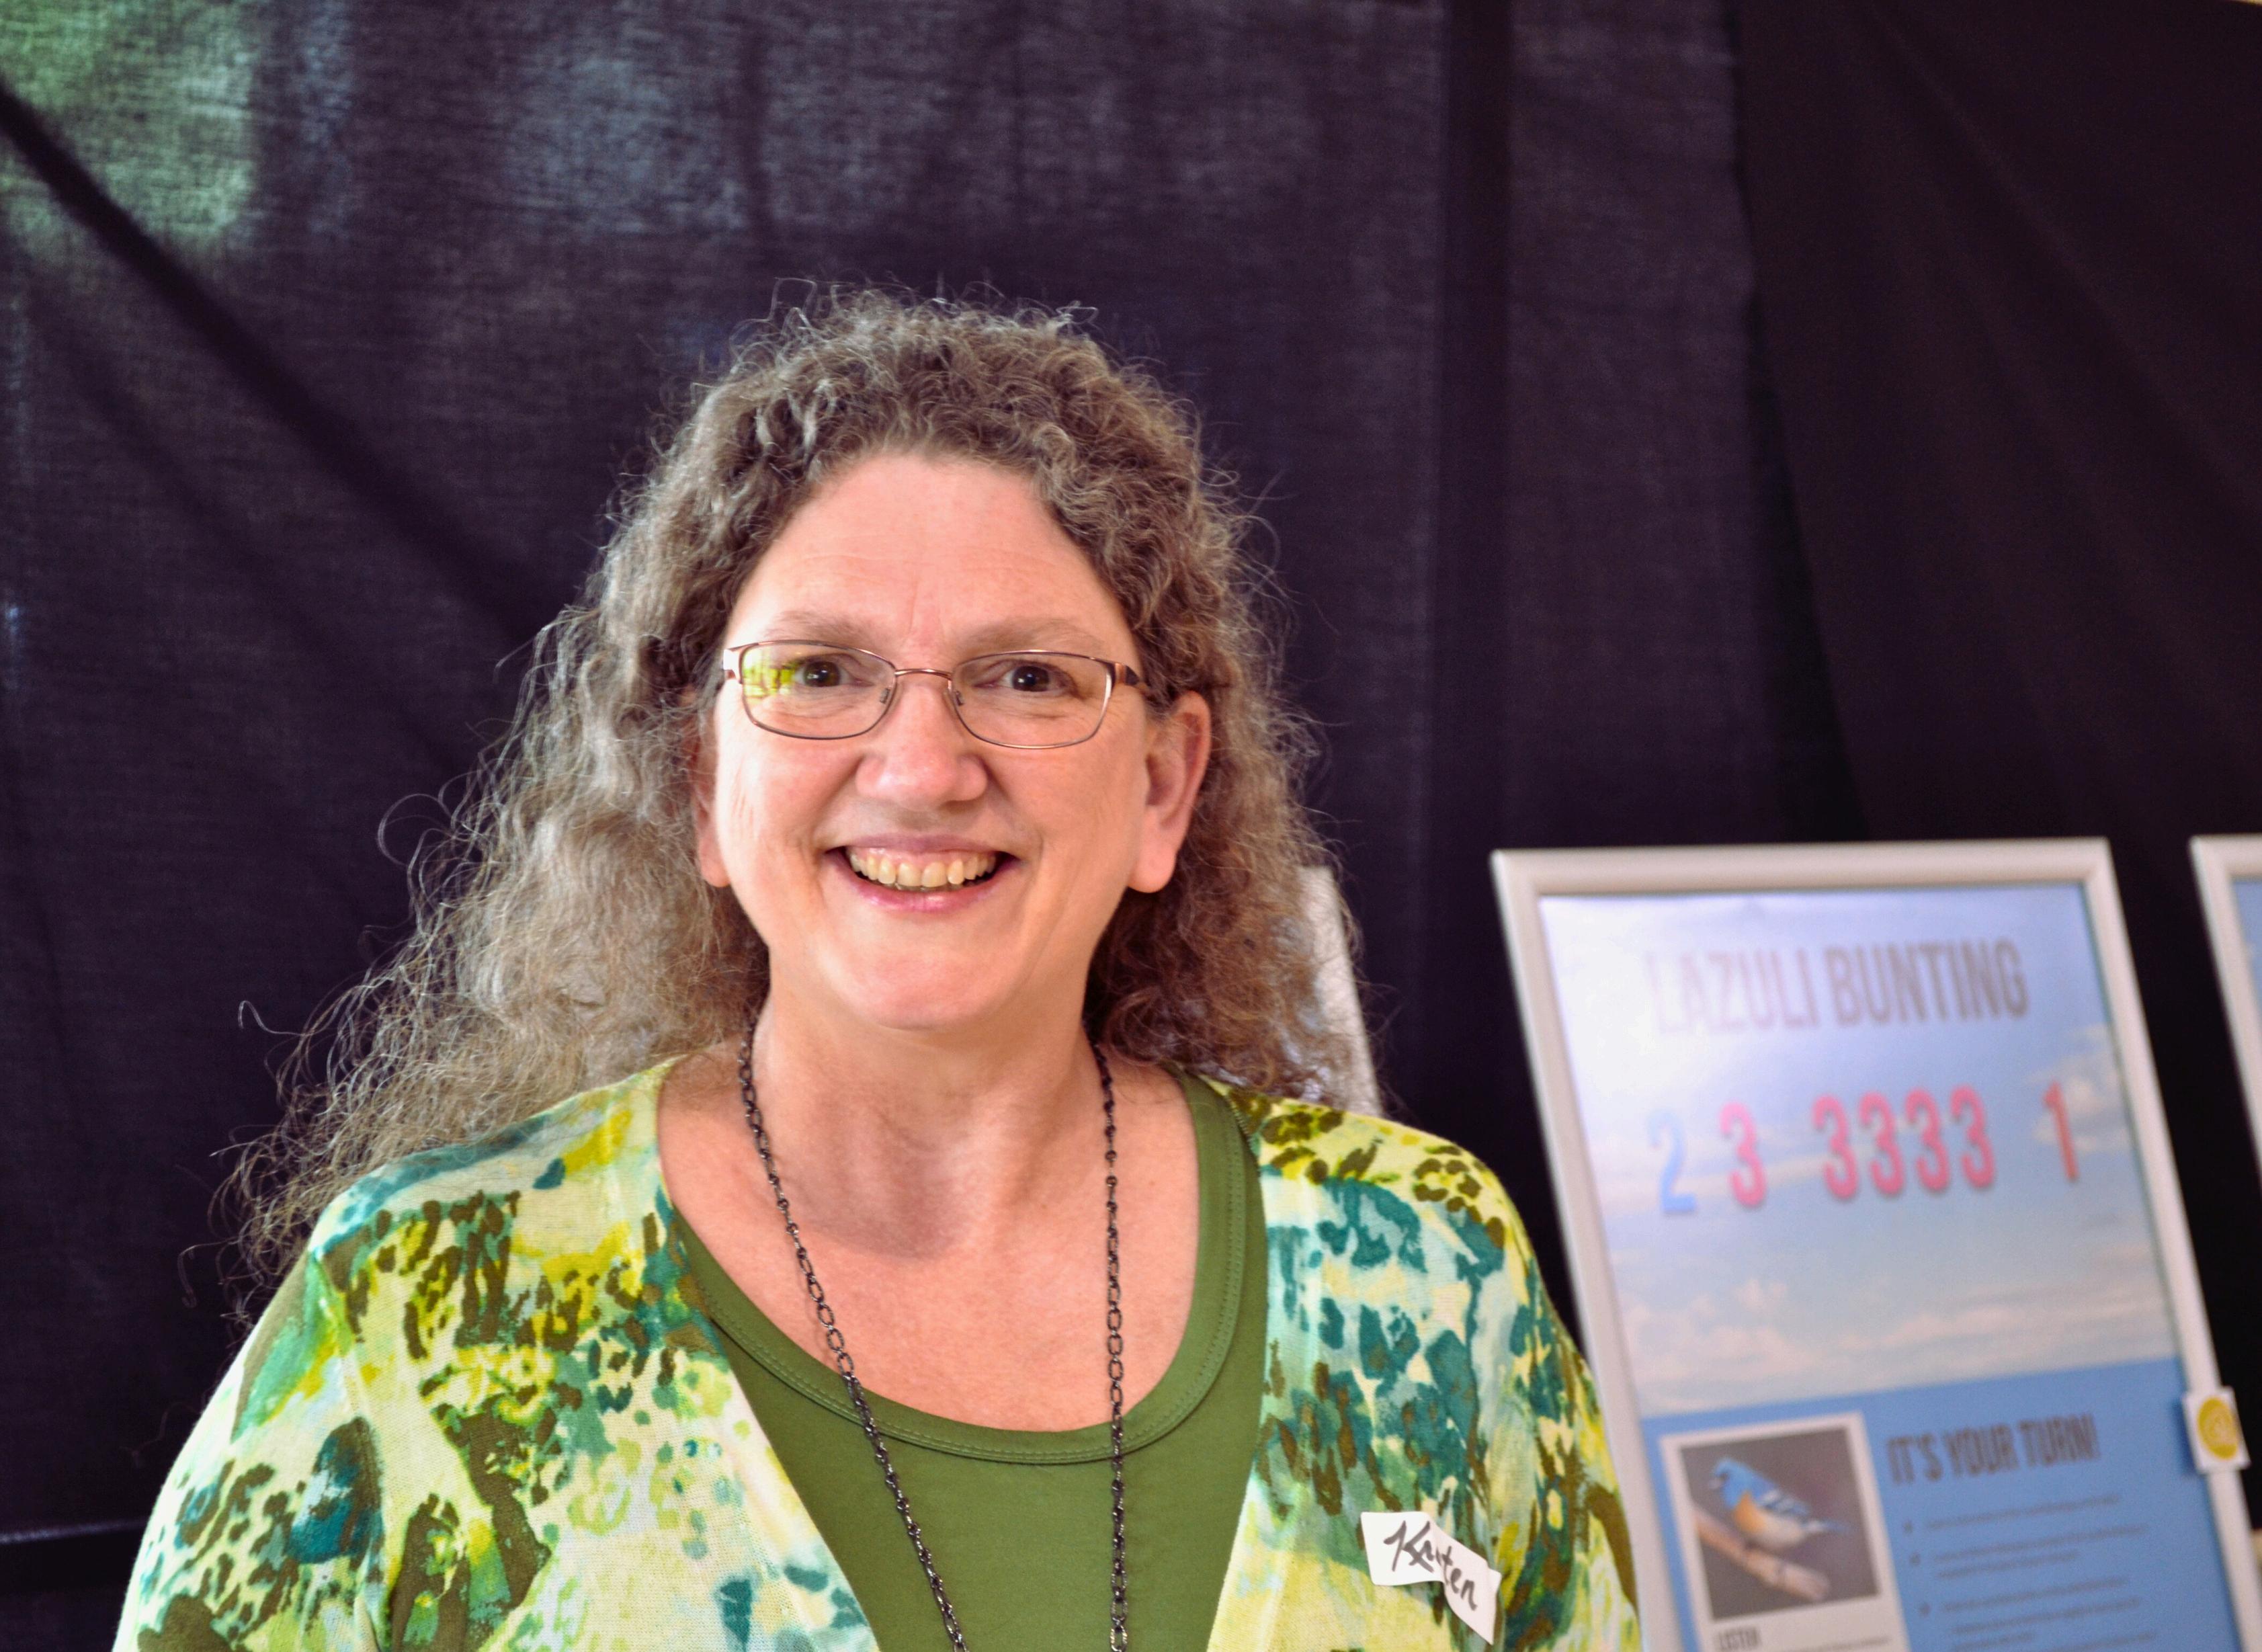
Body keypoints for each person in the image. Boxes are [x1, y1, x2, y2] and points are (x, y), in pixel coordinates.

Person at [116, 293, 1639, 1651]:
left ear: (1164, 787)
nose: (920, 768)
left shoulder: (1429, 1273)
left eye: (1026, 676)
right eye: (819, 673)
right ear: (700, 781)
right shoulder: (423, 1309)